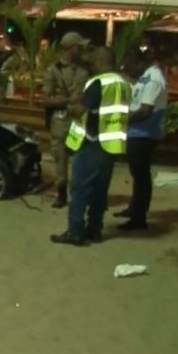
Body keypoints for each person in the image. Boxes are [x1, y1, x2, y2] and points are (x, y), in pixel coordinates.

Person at [51, 46, 132, 246]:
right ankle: (95, 229)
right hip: (111, 145)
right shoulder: (123, 83)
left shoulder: (99, 82)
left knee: (80, 189)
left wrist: (67, 106)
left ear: (100, 62)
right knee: (99, 190)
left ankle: (75, 232)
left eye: (93, 62)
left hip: (92, 142)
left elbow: (80, 110)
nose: (92, 67)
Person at [114, 49, 167, 231]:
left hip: (144, 133)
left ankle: (139, 218)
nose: (127, 71)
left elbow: (145, 111)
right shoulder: (145, 76)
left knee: (141, 175)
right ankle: (134, 209)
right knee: (137, 174)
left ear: (138, 63)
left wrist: (120, 121)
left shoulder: (153, 79)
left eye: (128, 67)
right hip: (137, 132)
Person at [43, 32, 90, 209]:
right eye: (79, 46)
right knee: (60, 159)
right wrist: (67, 101)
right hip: (61, 119)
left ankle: (79, 193)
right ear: (72, 48)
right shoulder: (54, 70)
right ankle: (61, 193)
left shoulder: (86, 68)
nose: (82, 49)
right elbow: (46, 100)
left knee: (80, 159)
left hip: (79, 120)